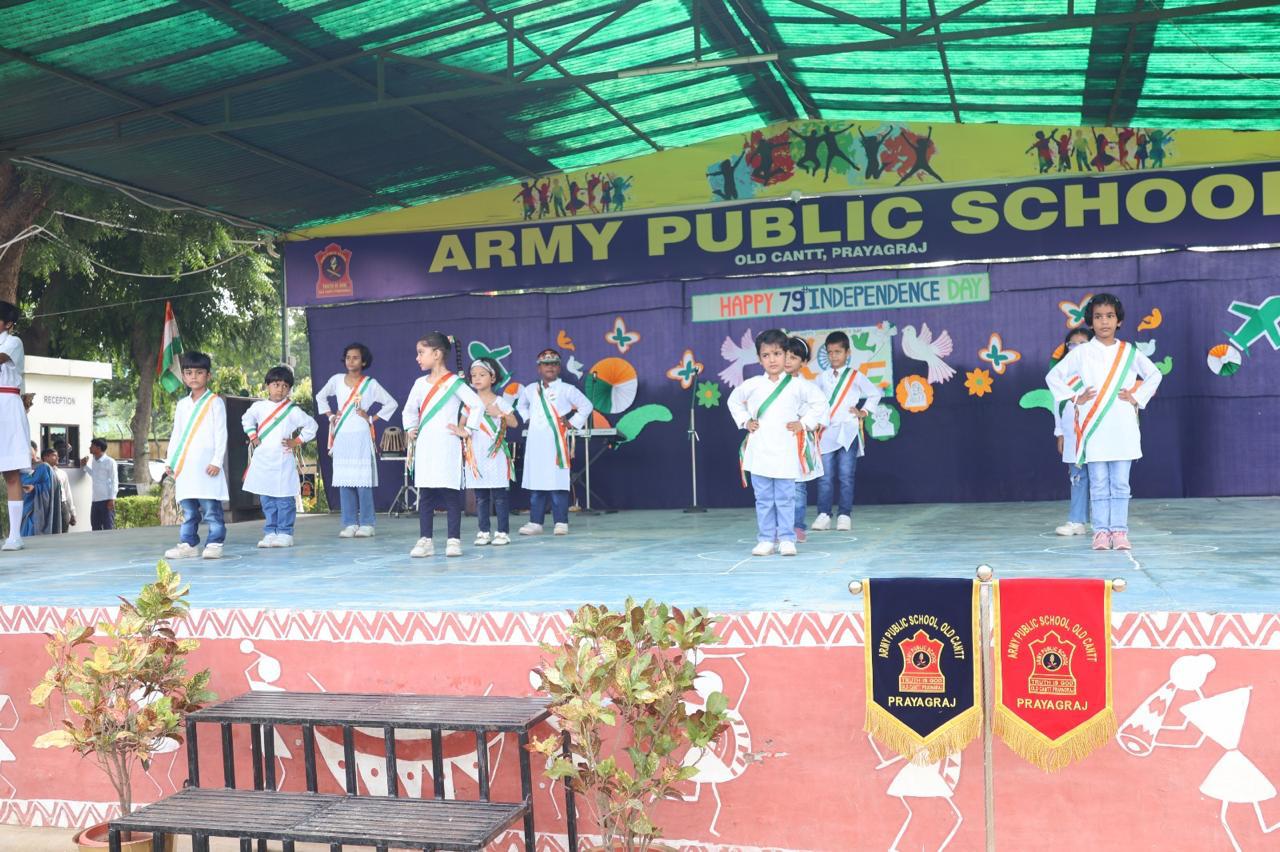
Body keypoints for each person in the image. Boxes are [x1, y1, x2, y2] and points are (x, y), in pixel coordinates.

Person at [1048, 294, 1162, 551]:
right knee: (1098, 483)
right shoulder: (1082, 352)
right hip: (1094, 429)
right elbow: (1054, 376)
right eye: (1098, 317)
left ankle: (1119, 531)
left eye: (1110, 316)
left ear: (1118, 320)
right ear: (1091, 321)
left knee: (1121, 483)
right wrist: (1074, 397)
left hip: (1123, 427)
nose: (1104, 322)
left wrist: (1136, 397)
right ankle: (1100, 532)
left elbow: (1154, 374)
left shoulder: (1128, 352)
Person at [728, 329, 825, 557]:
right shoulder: (752, 384)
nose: (772, 360)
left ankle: (787, 539)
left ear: (786, 354)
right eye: (766, 355)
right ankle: (765, 540)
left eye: (777, 354)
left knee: (785, 498)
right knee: (763, 499)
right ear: (759, 358)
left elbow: (820, 403)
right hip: (760, 451)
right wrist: (745, 421)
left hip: (785, 452)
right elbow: (734, 401)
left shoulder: (798, 385)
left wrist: (804, 423)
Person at [403, 333, 484, 558]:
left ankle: (453, 540)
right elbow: (409, 410)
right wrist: (411, 428)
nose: (418, 358)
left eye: (421, 353)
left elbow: (476, 404)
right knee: (426, 493)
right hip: (426, 445)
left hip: (447, 445)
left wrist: (467, 430)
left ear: (437, 354)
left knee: (450, 494)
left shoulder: (454, 383)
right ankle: (425, 540)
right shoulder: (419, 384)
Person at [316, 343, 398, 538]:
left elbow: (391, 403)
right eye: (348, 357)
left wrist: (371, 418)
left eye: (355, 358)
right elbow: (320, 397)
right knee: (344, 480)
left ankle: (367, 523)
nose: (350, 361)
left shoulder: (370, 383)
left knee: (362, 481)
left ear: (363, 361)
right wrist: (330, 416)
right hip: (342, 435)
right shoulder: (336, 380)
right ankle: (349, 523)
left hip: (361, 435)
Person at [516, 349, 593, 536]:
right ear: (539, 368)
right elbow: (520, 405)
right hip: (536, 443)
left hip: (556, 442)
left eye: (554, 364)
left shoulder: (567, 389)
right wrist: (527, 418)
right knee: (536, 483)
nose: (549, 367)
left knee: (557, 482)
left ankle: (561, 522)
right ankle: (536, 522)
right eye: (545, 364)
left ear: (559, 367)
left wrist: (572, 422)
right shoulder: (530, 389)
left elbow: (586, 405)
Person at [812, 331, 883, 533]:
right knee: (825, 477)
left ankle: (844, 515)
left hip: (848, 432)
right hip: (826, 433)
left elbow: (874, 393)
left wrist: (864, 412)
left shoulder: (855, 376)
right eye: (830, 352)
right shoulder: (821, 378)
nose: (834, 356)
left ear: (847, 353)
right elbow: (812, 400)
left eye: (838, 352)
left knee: (845, 475)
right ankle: (824, 515)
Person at [242, 365, 318, 548]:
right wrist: (253, 436)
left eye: (285, 386)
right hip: (263, 459)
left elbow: (312, 426)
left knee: (284, 499)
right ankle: (270, 532)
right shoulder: (259, 407)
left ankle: (285, 533)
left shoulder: (292, 410)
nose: (280, 389)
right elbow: (246, 419)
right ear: (267, 385)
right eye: (276, 384)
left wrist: (296, 441)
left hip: (283, 460)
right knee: (267, 499)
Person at [163, 351, 229, 559]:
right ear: (183, 376)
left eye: (199, 372)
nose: (194, 377)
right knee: (189, 511)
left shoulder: (215, 402)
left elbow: (221, 433)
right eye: (189, 372)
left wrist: (217, 461)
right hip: (186, 466)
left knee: (211, 509)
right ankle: (188, 544)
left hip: (208, 466)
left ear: (208, 375)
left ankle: (215, 543)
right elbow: (176, 434)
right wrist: (171, 461)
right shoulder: (182, 404)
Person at [466, 357, 518, 547]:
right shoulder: (469, 402)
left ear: (493, 378)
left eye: (482, 375)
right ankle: (483, 531)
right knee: (481, 497)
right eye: (473, 375)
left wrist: (499, 414)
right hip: (476, 454)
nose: (477, 378)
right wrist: (460, 431)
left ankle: (503, 532)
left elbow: (514, 422)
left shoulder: (499, 401)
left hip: (496, 453)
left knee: (499, 496)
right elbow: (462, 425)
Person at [784, 337, 827, 543]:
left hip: (798, 444)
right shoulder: (768, 385)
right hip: (775, 444)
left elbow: (822, 412)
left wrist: (805, 422)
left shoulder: (807, 387)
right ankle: (779, 528)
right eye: (785, 355)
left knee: (797, 488)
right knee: (777, 490)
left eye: (793, 357)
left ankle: (797, 526)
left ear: (804, 362)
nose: (787, 361)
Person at [1053, 327, 1094, 537]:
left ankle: (1104, 523)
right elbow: (1057, 405)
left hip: (1095, 431)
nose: (1077, 348)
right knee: (1077, 476)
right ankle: (1077, 521)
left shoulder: (1098, 371)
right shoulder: (1060, 375)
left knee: (1100, 477)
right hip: (1072, 433)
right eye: (1072, 344)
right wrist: (1060, 432)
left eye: (1082, 344)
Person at [0, 300, 30, 551]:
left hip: (8, 405)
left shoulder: (13, 342)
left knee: (10, 472)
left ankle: (15, 535)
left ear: (8, 323)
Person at [81, 437, 118, 530]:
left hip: (106, 499)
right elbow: (94, 475)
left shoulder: (110, 462)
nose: (90, 448)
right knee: (95, 527)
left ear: (98, 448)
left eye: (92, 446)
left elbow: (114, 480)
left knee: (108, 527)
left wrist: (112, 499)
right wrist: (85, 466)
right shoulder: (94, 460)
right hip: (95, 499)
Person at [20, 442, 53, 536]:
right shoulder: (20, 469)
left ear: (35, 450)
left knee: (32, 530)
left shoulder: (44, 467)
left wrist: (35, 488)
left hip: (37, 506)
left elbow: (49, 487)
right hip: (23, 505)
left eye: (29, 450)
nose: (27, 453)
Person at [47, 447, 75, 532]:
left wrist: (73, 513)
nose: (57, 458)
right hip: (48, 506)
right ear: (45, 457)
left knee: (64, 531)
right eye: (54, 455)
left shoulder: (62, 473)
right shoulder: (39, 473)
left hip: (62, 505)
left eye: (57, 456)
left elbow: (67, 493)